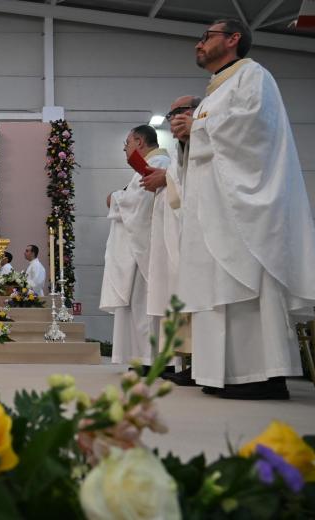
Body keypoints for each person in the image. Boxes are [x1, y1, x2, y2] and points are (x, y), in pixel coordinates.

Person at [169, 18, 315, 399]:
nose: (199, 44)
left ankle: (263, 376)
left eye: (206, 36)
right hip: (213, 208)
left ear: (234, 39)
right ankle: (222, 373)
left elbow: (256, 128)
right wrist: (190, 137)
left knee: (245, 286)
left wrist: (199, 129)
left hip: (243, 211)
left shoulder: (253, 76)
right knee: (214, 288)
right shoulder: (215, 92)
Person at [99, 125, 171, 369]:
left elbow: (139, 203)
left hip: (145, 248)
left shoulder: (160, 161)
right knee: (136, 307)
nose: (125, 149)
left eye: (127, 143)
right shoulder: (155, 163)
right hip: (137, 246)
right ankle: (141, 357)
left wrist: (114, 197)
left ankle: (150, 359)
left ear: (139, 141)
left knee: (144, 307)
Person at [144, 95, 201, 385]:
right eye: (171, 115)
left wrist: (164, 179)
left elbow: (192, 182)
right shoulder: (181, 149)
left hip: (194, 231)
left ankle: (195, 363)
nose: (173, 120)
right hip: (179, 232)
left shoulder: (204, 136)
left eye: (177, 113)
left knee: (189, 299)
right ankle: (190, 362)